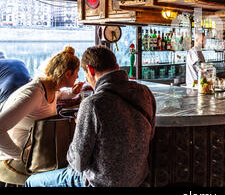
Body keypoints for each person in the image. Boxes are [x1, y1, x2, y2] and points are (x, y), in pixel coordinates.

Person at [25, 45, 156, 187]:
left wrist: (80, 128)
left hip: (99, 182)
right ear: (117, 66)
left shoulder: (92, 104)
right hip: (137, 179)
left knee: (31, 181)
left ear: (90, 70)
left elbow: (78, 163)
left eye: (85, 74)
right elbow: (150, 135)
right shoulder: (145, 93)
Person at [0, 46, 81, 185]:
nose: (78, 77)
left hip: (36, 156)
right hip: (14, 161)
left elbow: (59, 94)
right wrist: (21, 154)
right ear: (67, 74)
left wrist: (72, 93)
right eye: (76, 73)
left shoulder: (51, 88)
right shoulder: (33, 93)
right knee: (66, 177)